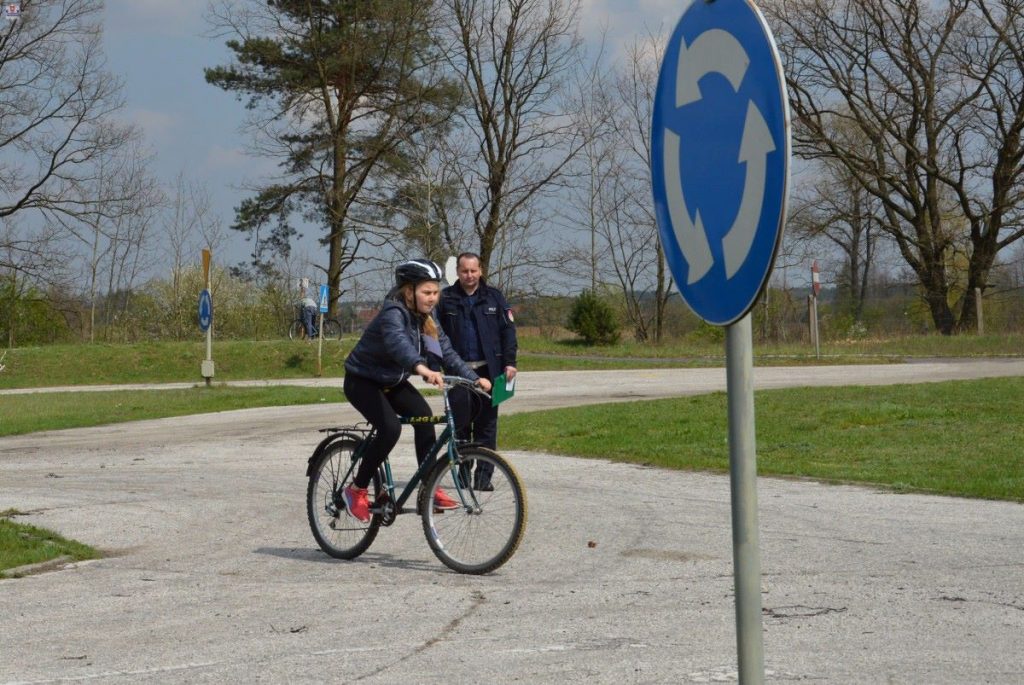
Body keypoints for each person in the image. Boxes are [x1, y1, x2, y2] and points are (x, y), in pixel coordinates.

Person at [341, 259, 493, 523]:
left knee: (424, 419)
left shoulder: (427, 318)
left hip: (391, 380)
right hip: (362, 380)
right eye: (427, 292)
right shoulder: (394, 312)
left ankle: (429, 488)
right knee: (390, 429)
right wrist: (421, 368)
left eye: (436, 292)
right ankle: (356, 489)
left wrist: (474, 378)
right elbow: (397, 343)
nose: (433, 298)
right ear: (409, 291)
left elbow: (445, 350)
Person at [438, 252, 518, 491]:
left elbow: (509, 333)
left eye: (473, 271)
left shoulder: (495, 298)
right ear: (458, 272)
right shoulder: (446, 299)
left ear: (480, 271)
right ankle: (462, 478)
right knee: (461, 427)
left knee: (486, 428)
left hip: (491, 373)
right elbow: (434, 335)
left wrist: (510, 363)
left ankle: (483, 479)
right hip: (459, 373)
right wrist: (435, 366)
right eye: (464, 271)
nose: (469, 275)